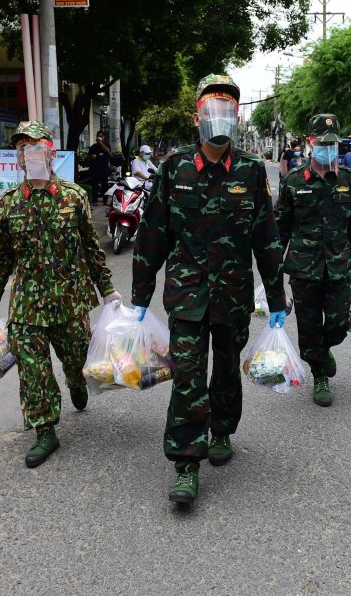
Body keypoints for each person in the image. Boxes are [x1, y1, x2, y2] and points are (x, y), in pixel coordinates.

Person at [131, 74, 286, 505]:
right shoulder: (174, 168)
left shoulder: (252, 171)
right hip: (186, 294)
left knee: (224, 369)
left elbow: (267, 239)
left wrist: (276, 298)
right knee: (187, 376)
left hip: (233, 294)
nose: (220, 118)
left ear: (237, 118)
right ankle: (185, 462)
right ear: (196, 116)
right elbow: (152, 236)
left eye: (228, 110)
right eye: (212, 109)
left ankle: (221, 430)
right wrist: (140, 297)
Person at [0, 120, 121, 467]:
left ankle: (76, 382)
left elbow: (91, 248)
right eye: (21, 148)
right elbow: (1, 256)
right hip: (27, 304)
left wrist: (108, 290)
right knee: (32, 370)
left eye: (34, 147)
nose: (28, 154)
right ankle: (45, 430)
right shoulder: (8, 204)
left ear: (50, 153)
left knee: (76, 361)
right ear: (17, 158)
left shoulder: (74, 197)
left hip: (70, 300)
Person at [275, 113, 351, 408]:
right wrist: (273, 271)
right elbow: (281, 228)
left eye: (333, 144)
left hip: (338, 266)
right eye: (322, 143)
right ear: (310, 142)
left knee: (338, 323)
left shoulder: (347, 180)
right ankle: (320, 373)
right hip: (303, 269)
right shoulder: (293, 182)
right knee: (307, 329)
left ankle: (325, 348)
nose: (328, 149)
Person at [85, 131, 112, 206]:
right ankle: (94, 201)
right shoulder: (94, 146)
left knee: (105, 186)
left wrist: (101, 143)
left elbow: (108, 151)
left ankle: (105, 200)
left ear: (103, 137)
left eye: (101, 136)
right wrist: (92, 156)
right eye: (98, 136)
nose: (99, 137)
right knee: (95, 186)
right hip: (95, 169)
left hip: (104, 169)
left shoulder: (106, 145)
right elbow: (89, 156)